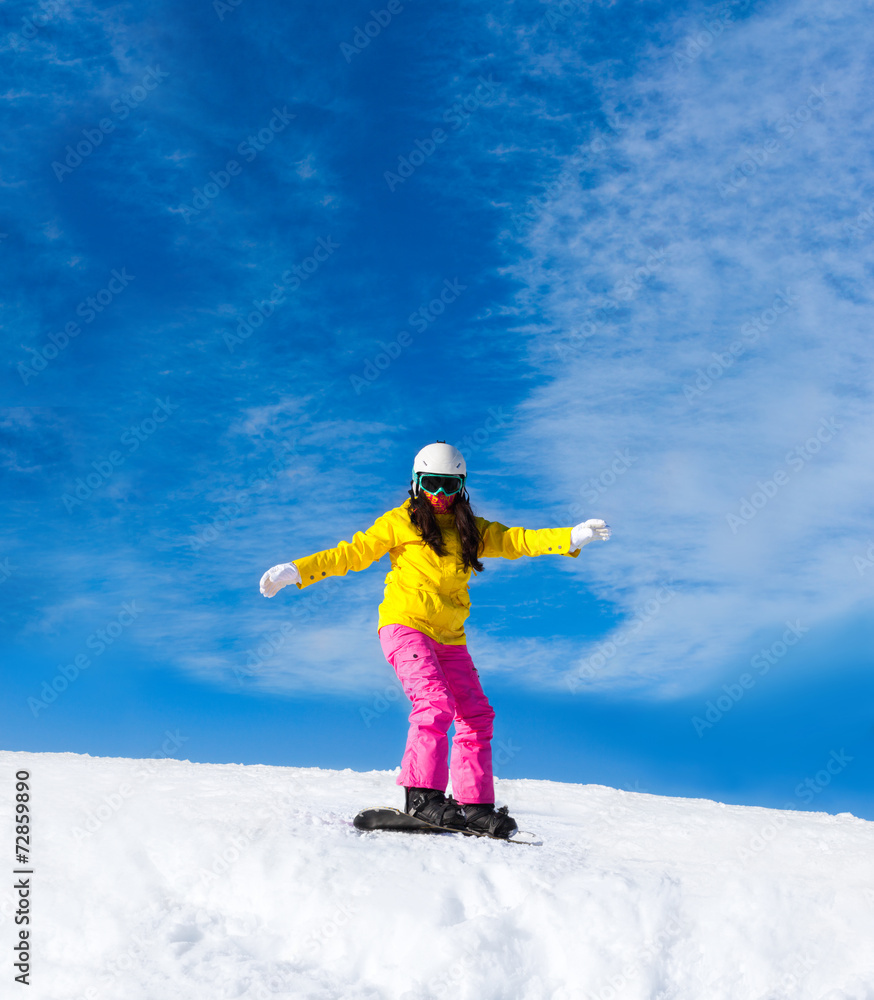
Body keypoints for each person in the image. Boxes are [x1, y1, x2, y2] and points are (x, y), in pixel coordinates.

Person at [260, 441, 610, 839]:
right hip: (405, 626)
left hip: (450, 638)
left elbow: (517, 540)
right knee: (433, 702)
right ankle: (422, 796)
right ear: (415, 483)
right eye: (431, 484)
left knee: (476, 715)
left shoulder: (471, 531)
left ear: (461, 486)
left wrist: (569, 538)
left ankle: (474, 806)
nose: (439, 496)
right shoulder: (399, 522)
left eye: (448, 485)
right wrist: (298, 570)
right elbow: (351, 554)